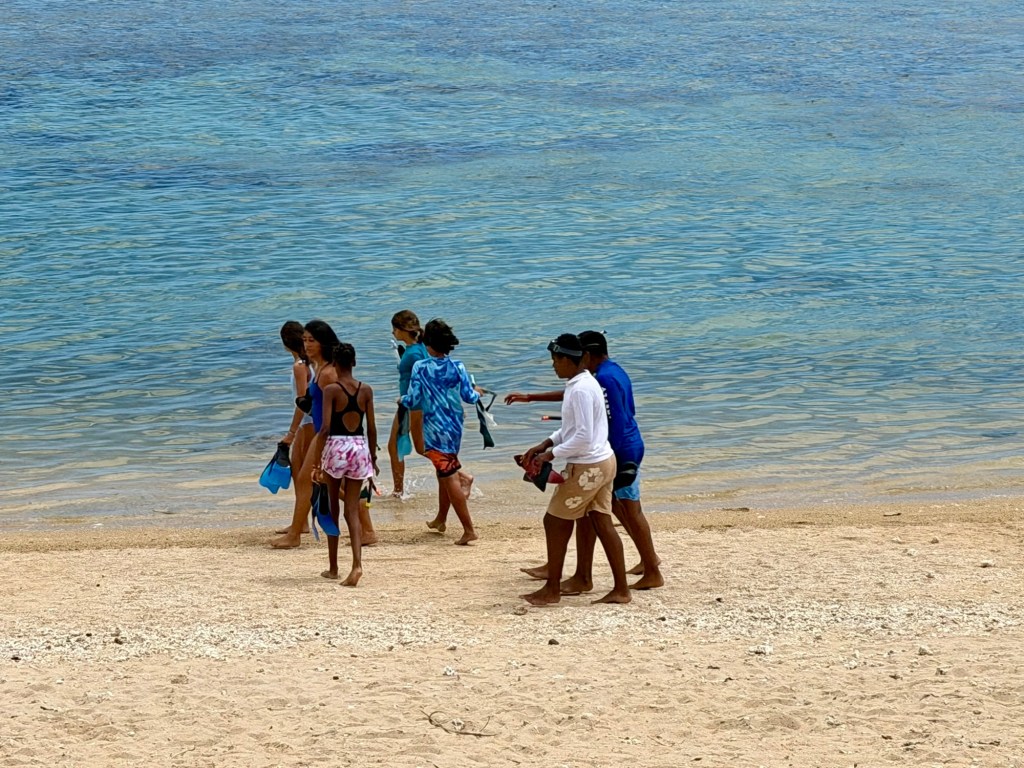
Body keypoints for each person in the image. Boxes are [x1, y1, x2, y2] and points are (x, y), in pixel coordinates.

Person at [506, 331, 663, 590]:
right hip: (618, 447)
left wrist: (599, 454)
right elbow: (580, 402)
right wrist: (532, 398)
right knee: (594, 516)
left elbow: (608, 421)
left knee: (626, 511)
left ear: (586, 355)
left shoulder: (603, 379)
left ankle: (650, 566)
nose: (555, 364)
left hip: (618, 449)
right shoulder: (607, 373)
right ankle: (586, 575)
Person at [518, 334, 631, 606]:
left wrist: (550, 454)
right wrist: (546, 443)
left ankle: (552, 589)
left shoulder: (580, 389)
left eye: (556, 360)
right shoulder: (584, 382)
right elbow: (571, 427)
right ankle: (620, 589)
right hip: (604, 461)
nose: (553, 365)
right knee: (602, 522)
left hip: (589, 466)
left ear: (570, 360)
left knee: (554, 520)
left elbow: (583, 436)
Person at [271, 320, 377, 549]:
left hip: (329, 436)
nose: (307, 345)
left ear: (323, 343)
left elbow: (346, 402)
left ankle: (295, 535)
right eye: (304, 340)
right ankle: (366, 530)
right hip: (322, 433)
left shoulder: (329, 372)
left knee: (307, 481)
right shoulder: (319, 369)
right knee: (330, 485)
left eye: (312, 340)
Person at [398, 318, 483, 545]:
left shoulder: (421, 367)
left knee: (448, 475)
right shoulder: (458, 366)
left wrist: (402, 399)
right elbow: (469, 397)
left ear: (427, 342)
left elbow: (414, 398)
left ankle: (469, 529)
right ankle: (441, 519)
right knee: (443, 472)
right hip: (455, 425)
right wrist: (478, 393)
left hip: (434, 427)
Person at [310, 343, 377, 586]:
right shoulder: (365, 390)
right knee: (352, 509)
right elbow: (371, 428)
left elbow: (326, 428)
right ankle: (357, 565)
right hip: (359, 447)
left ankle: (333, 567)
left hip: (337, 448)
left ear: (335, 364)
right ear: (354, 362)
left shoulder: (331, 390)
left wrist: (317, 461)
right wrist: (373, 459)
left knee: (332, 508)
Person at [276, 321, 314, 534]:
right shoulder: (310, 362)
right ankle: (301, 522)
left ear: (285, 344)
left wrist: (291, 433)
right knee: (299, 472)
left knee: (303, 475)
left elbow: (302, 402)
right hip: (309, 423)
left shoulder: (300, 366)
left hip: (308, 424)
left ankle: (300, 524)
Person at [387, 310, 428, 498]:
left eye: (394, 329)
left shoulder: (414, 353)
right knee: (416, 447)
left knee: (399, 446)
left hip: (412, 404)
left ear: (403, 329)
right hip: (411, 403)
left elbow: (425, 376)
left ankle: (398, 491)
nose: (393, 332)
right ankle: (457, 474)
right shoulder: (416, 349)